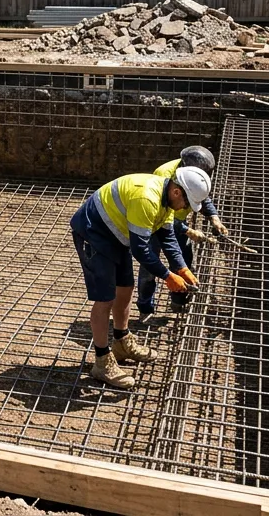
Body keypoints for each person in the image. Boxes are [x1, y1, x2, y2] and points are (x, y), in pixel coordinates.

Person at [70, 166, 212, 389]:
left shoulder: (166, 200)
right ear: (177, 192)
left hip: (115, 234)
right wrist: (168, 276)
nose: (186, 208)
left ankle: (122, 342)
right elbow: (142, 250)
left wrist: (182, 268)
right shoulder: (147, 198)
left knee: (125, 287)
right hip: (94, 232)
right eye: (187, 203)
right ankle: (101, 362)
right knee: (105, 299)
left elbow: (167, 236)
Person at [137, 145, 228, 320]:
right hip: (155, 223)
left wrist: (214, 217)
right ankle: (145, 307)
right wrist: (188, 231)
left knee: (183, 261)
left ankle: (178, 301)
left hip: (178, 221)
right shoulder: (164, 175)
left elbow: (201, 196)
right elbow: (161, 217)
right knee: (150, 267)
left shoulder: (191, 175)